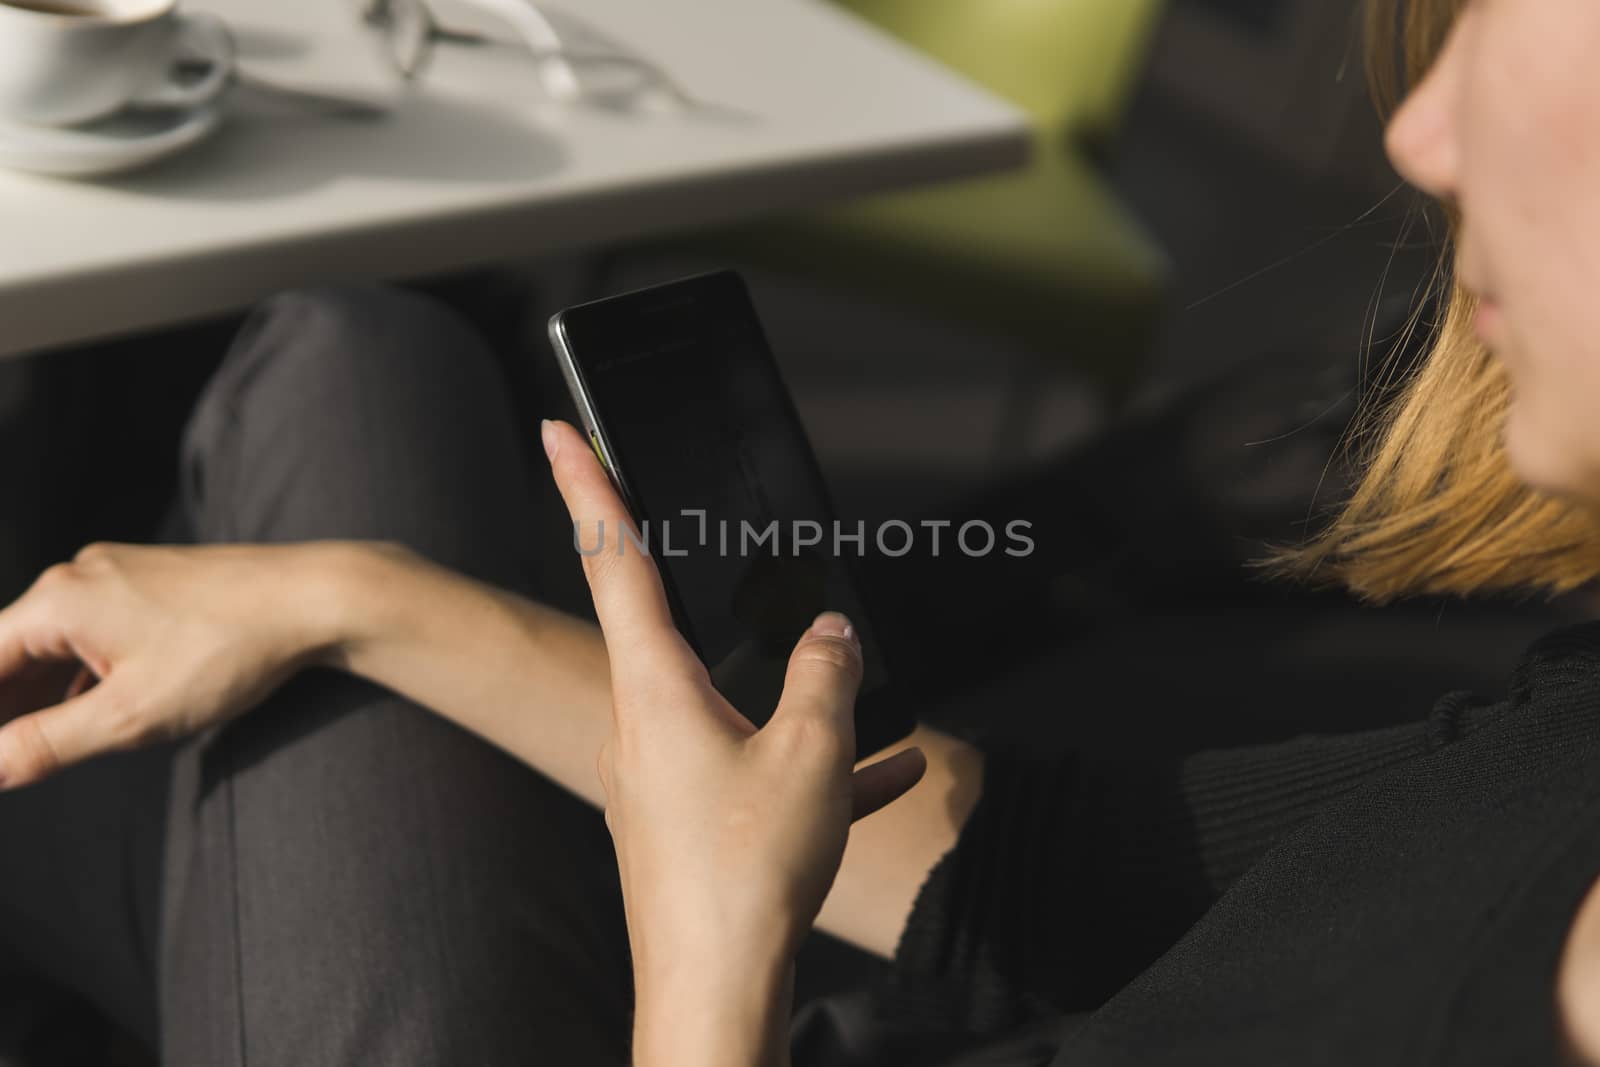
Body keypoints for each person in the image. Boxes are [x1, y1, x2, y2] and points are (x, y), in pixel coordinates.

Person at [2, 0, 1599, 1064]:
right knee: (358, 351)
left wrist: (711, 963)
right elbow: (1026, 877)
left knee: (332, 355)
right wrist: (360, 597)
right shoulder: (1569, 730)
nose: (1417, 134)